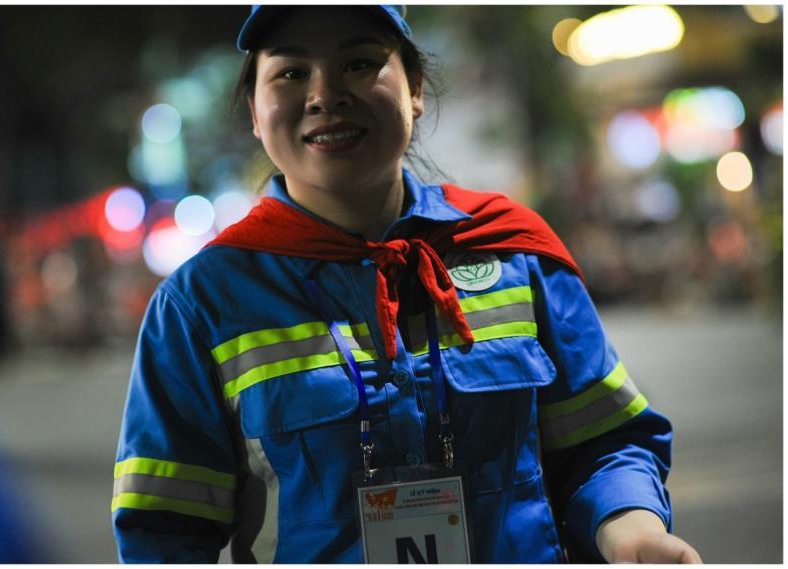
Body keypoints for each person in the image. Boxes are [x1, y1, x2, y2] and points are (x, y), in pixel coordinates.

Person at [112, 5, 702, 563]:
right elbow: (165, 532)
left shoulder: (515, 253)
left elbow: (606, 443)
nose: (324, 95)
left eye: (360, 63)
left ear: (414, 89)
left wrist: (631, 530)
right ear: (254, 111)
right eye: (291, 72)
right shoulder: (201, 303)